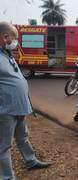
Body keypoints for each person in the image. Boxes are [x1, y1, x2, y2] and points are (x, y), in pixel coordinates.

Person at [0, 22, 51, 180]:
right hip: (6, 110)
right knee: (4, 146)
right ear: (4, 37)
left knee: (22, 137)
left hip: (18, 107)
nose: (16, 41)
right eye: (14, 38)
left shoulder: (6, 54)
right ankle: (7, 177)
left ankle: (31, 161)